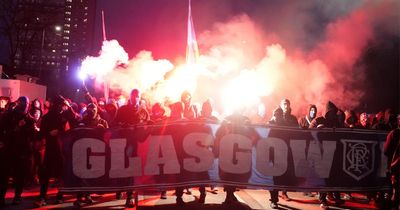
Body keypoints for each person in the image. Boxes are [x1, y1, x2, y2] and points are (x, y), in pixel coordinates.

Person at [35, 95, 80, 207]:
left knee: (61, 174)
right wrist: (48, 134)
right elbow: (41, 134)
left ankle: (60, 196)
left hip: (62, 149)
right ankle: (43, 197)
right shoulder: (47, 117)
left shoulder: (64, 116)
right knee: (46, 174)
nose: (61, 107)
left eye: (62, 105)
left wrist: (69, 107)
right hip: (51, 148)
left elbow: (75, 121)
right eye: (60, 105)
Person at [113, 89, 150, 208]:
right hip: (124, 144)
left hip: (138, 145)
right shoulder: (123, 109)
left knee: (133, 171)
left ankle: (131, 194)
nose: (136, 98)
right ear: (130, 96)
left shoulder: (143, 111)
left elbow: (148, 124)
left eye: (137, 96)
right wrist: (122, 126)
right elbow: (114, 124)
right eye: (134, 96)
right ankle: (123, 192)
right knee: (124, 168)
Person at [0, 96, 36, 207]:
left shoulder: (29, 119)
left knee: (17, 175)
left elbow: (31, 135)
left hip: (20, 150)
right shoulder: (9, 115)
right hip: (10, 149)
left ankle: (16, 197)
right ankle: (6, 197)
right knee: (5, 175)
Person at [74, 103, 108, 207]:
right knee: (82, 175)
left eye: (94, 109)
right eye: (90, 109)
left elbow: (109, 136)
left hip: (98, 153)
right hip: (84, 152)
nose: (92, 111)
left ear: (97, 110)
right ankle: (81, 197)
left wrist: (104, 130)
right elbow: (75, 134)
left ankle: (89, 194)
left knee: (93, 175)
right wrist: (79, 128)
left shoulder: (103, 122)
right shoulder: (82, 121)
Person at [384, 114, 400, 210]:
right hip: (396, 165)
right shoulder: (393, 133)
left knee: (395, 190)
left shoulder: (393, 133)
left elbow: (386, 151)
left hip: (395, 166)